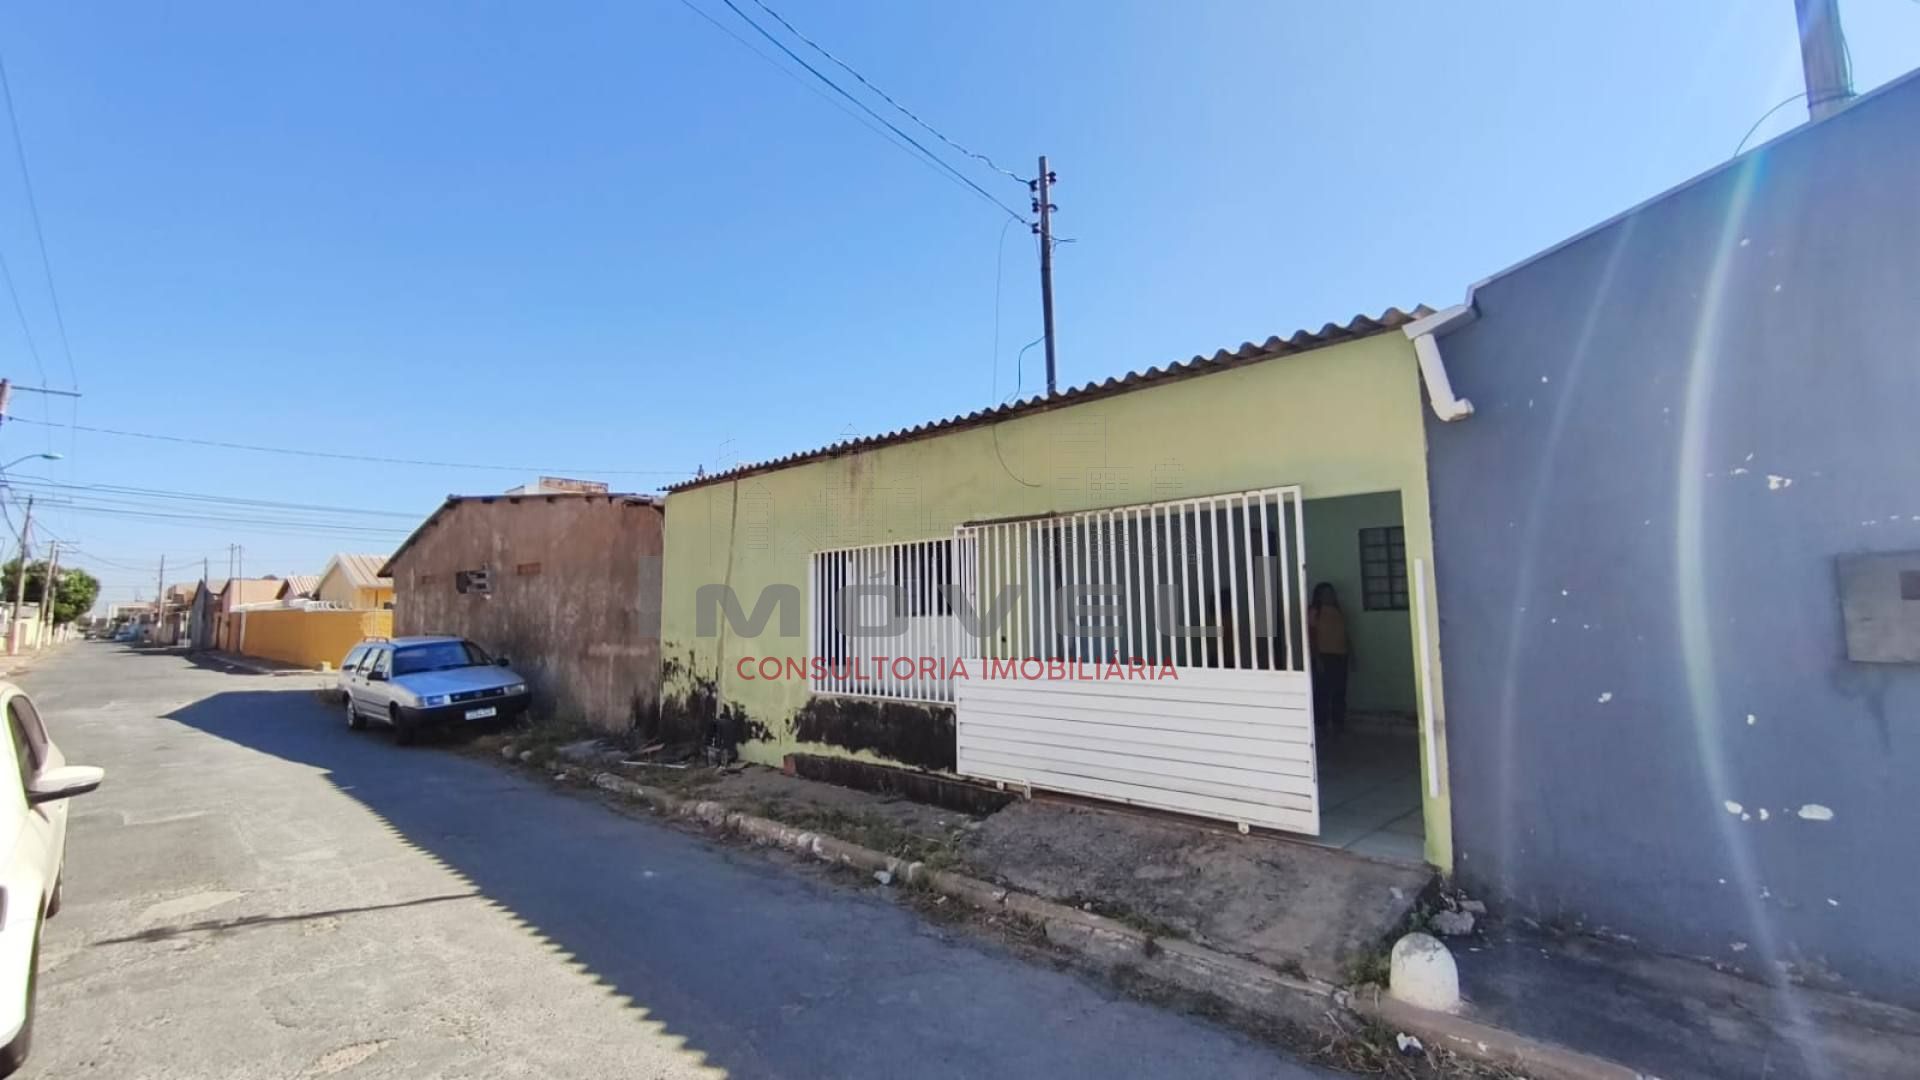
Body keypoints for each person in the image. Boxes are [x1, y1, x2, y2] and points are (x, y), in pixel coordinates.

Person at [1307, 582, 1351, 733]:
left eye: (1331, 593)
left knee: (1340, 691)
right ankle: (1321, 725)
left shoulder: (1338, 610)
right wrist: (1317, 658)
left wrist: (1352, 653)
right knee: (1322, 692)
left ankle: (1338, 724)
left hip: (1341, 655)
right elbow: (1311, 636)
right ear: (1319, 596)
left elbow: (1345, 633)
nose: (1330, 596)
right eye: (1326, 593)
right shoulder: (1315, 611)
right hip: (1324, 656)